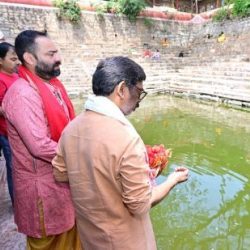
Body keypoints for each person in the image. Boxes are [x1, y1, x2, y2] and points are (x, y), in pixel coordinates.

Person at [52, 56, 189, 249]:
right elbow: (140, 205)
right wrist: (172, 180)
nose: (138, 102)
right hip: (125, 241)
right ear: (122, 89)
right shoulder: (126, 137)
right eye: (139, 92)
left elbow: (60, 173)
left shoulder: (71, 129)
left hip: (90, 236)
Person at [2, 30, 82, 250]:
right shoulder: (23, 94)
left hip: (62, 180)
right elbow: (39, 146)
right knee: (50, 242)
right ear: (29, 58)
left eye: (57, 52)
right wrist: (85, 155)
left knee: (72, 237)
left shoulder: (52, 85)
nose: (58, 58)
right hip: (43, 191)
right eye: (51, 54)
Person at [0, 42, 20, 205]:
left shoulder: (15, 75)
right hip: (7, 132)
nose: (17, 62)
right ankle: (17, 203)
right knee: (13, 167)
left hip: (20, 130)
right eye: (12, 59)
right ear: (0, 60)